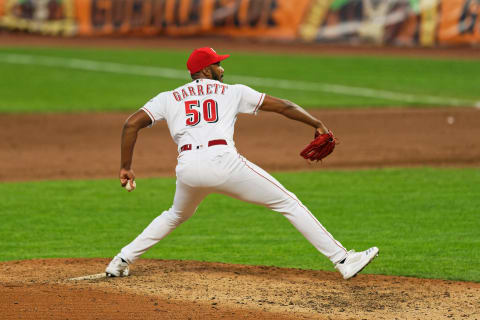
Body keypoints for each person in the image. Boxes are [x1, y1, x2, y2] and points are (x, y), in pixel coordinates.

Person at [106, 47, 379, 280]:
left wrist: (125, 166)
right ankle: (343, 260)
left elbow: (131, 124)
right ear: (205, 69)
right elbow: (283, 106)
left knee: (176, 215)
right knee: (287, 202)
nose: (222, 69)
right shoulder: (232, 92)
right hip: (223, 162)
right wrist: (317, 123)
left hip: (188, 167)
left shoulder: (169, 97)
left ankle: (120, 260)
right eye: (217, 64)